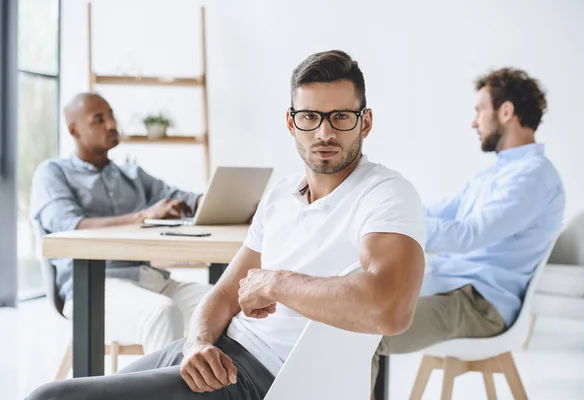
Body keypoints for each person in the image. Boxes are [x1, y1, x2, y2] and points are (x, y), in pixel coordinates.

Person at [27, 50, 426, 400]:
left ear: (366, 122)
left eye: (340, 117)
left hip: (263, 378)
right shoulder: (281, 194)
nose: (324, 132)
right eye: (309, 117)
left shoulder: (386, 194)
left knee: (50, 397)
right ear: (291, 123)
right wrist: (197, 342)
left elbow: (389, 309)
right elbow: (222, 294)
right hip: (216, 353)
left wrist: (275, 283)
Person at [372, 68, 566, 385]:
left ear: (506, 112)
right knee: (356, 308)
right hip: (453, 289)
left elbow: (468, 235)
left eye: (479, 110)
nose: (474, 122)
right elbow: (440, 210)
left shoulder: (532, 177)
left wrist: (394, 225)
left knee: (367, 333)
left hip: (479, 303)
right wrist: (385, 211)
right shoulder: (495, 174)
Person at [30, 92, 213, 353]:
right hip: (91, 286)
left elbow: (182, 198)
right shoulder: (53, 173)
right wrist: (142, 216)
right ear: (74, 130)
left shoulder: (132, 174)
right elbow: (70, 225)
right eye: (99, 119)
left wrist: (221, 200)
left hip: (151, 280)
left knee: (226, 303)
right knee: (161, 313)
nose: (112, 125)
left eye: (111, 115)